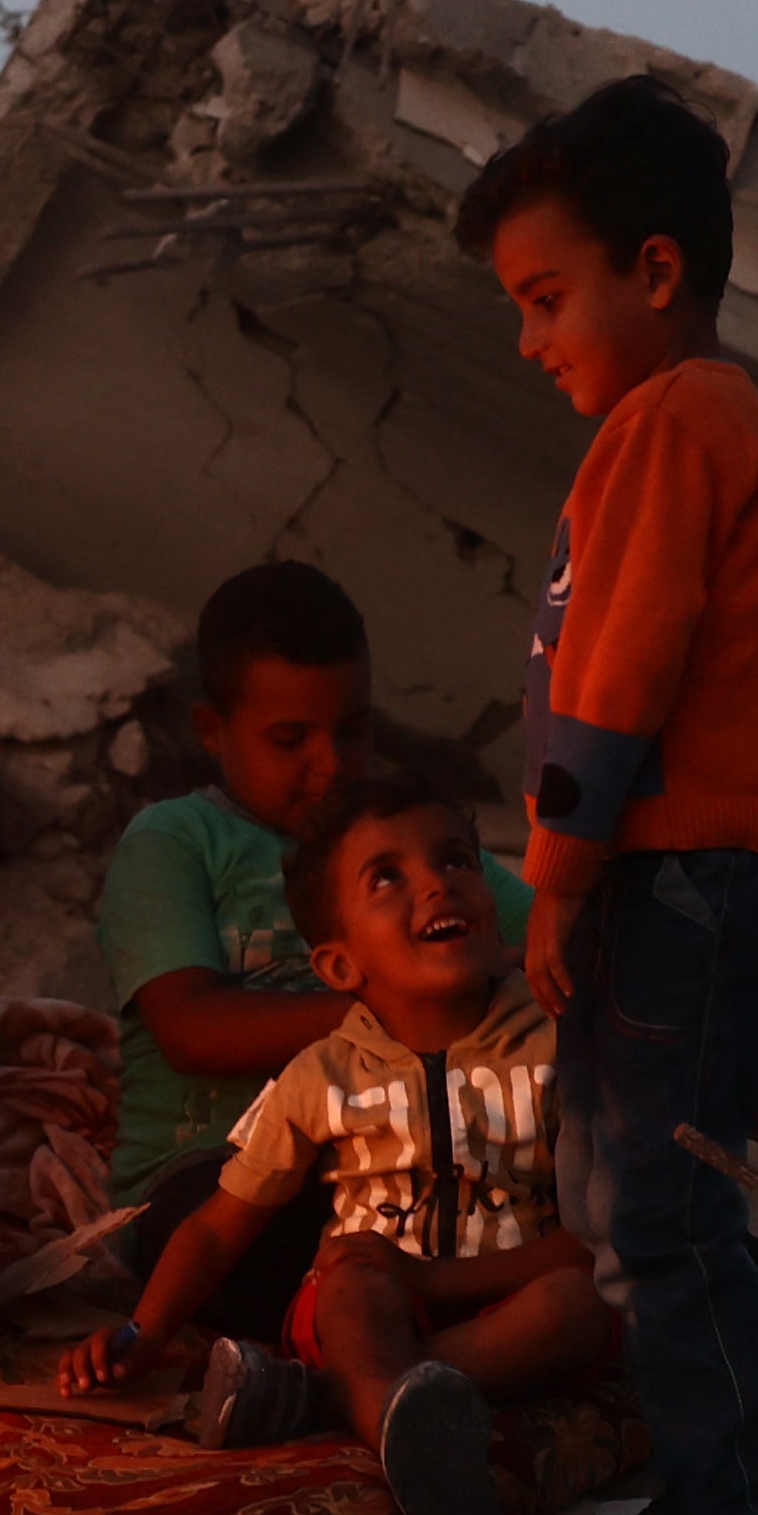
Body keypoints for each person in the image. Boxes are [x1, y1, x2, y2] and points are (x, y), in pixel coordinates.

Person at [459, 73, 758, 1515]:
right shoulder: (666, 427)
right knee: (635, 1207)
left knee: (673, 1215)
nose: (533, 338)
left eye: (549, 299)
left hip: (685, 885)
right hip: (662, 883)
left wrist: (555, 875)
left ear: (657, 273)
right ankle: (701, 1491)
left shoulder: (675, 421)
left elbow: (614, 677)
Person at [58, 764, 600, 1515]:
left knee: (584, 1299)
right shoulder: (324, 1074)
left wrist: (438, 1283)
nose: (437, 887)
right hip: (374, 1301)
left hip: (505, 1294)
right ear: (341, 967)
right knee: (346, 1282)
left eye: (455, 860)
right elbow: (218, 1225)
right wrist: (145, 1330)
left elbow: (595, 1235)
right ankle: (415, 1430)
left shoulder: (556, 1049)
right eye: (390, 877)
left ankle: (336, 1399)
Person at [92, 562, 537, 1338]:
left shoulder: (405, 842)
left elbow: (550, 949)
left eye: (353, 729)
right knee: (303, 1247)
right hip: (216, 1172)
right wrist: (395, 1006)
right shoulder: (176, 840)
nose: (331, 763)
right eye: (291, 738)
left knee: (631, 1209)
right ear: (212, 731)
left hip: (415, 1155)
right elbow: (191, 1028)